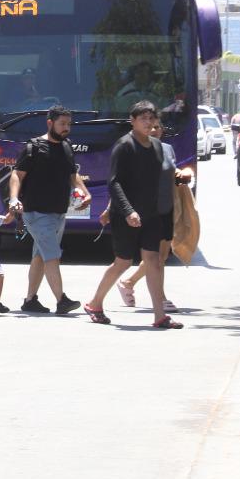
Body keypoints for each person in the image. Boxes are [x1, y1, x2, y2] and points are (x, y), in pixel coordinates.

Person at [84, 101, 183, 328]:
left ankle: (160, 316)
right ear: (133, 120)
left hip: (152, 214)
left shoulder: (157, 146)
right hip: (126, 215)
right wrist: (127, 211)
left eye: (151, 118)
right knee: (123, 262)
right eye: (143, 119)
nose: (148, 123)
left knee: (154, 261)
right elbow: (115, 183)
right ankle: (95, 303)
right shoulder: (124, 146)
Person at [7, 105, 90, 315]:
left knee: (40, 255)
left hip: (59, 212)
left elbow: (73, 175)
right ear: (50, 123)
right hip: (36, 212)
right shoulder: (33, 147)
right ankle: (61, 300)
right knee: (52, 255)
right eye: (62, 124)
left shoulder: (67, 147)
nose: (66, 128)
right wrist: (15, 198)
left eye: (69, 124)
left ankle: (30, 300)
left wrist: (84, 191)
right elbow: (17, 175)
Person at [116, 111, 193, 311]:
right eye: (150, 126)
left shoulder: (166, 149)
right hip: (147, 210)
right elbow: (120, 181)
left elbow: (171, 171)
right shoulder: (134, 149)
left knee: (162, 256)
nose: (154, 130)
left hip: (166, 208)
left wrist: (183, 173)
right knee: (154, 257)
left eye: (157, 127)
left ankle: (129, 283)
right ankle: (160, 299)